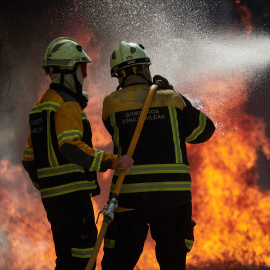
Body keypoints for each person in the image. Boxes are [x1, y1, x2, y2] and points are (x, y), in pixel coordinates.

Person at [101, 41, 215, 270]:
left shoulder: (111, 104)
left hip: (131, 197)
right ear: (146, 68)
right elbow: (203, 131)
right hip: (173, 197)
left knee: (119, 261)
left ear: (119, 75)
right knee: (173, 263)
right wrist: (178, 100)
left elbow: (115, 132)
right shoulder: (173, 99)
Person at [21, 37, 133, 270]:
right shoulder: (67, 104)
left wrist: (49, 187)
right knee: (82, 259)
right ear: (67, 71)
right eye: (82, 68)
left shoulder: (40, 108)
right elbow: (70, 147)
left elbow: (29, 160)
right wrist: (114, 161)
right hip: (73, 199)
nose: (85, 75)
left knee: (66, 259)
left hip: (54, 202)